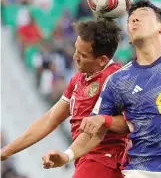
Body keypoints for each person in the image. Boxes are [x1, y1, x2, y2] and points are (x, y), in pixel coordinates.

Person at [42, 0, 161, 178]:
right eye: (130, 19)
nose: (134, 19)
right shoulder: (118, 80)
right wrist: (67, 155)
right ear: (129, 38)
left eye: (143, 15)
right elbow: (95, 129)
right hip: (140, 169)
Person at [1, 18, 129, 178]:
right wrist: (6, 151)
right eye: (76, 49)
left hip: (106, 160)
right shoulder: (78, 80)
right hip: (83, 159)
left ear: (102, 60)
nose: (75, 57)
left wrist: (104, 120)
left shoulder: (116, 77)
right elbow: (50, 120)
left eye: (82, 55)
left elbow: (131, 122)